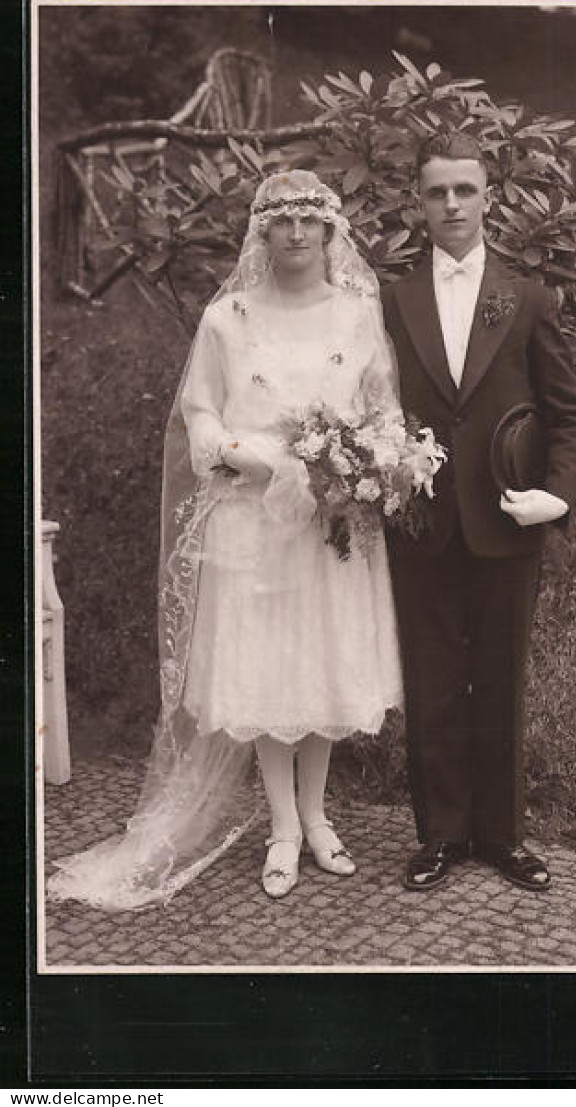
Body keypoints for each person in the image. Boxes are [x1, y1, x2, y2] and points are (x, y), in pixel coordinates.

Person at [48, 170, 403, 909]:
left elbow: (382, 410)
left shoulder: (358, 312)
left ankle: (317, 814)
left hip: (330, 522)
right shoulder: (229, 319)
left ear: (332, 232)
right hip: (252, 518)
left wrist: (375, 463)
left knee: (323, 665)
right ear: (261, 233)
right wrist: (243, 454)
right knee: (268, 671)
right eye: (283, 222)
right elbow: (200, 413)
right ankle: (281, 826)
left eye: (311, 221)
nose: (298, 234)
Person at [382, 132, 576, 893]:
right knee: (434, 678)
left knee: (500, 677)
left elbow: (570, 415)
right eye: (436, 192)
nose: (451, 205)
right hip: (422, 524)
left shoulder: (529, 296)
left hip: (510, 521)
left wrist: (557, 495)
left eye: (464, 190)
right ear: (418, 202)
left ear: (488, 197)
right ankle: (439, 834)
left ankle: (503, 835)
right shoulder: (393, 298)